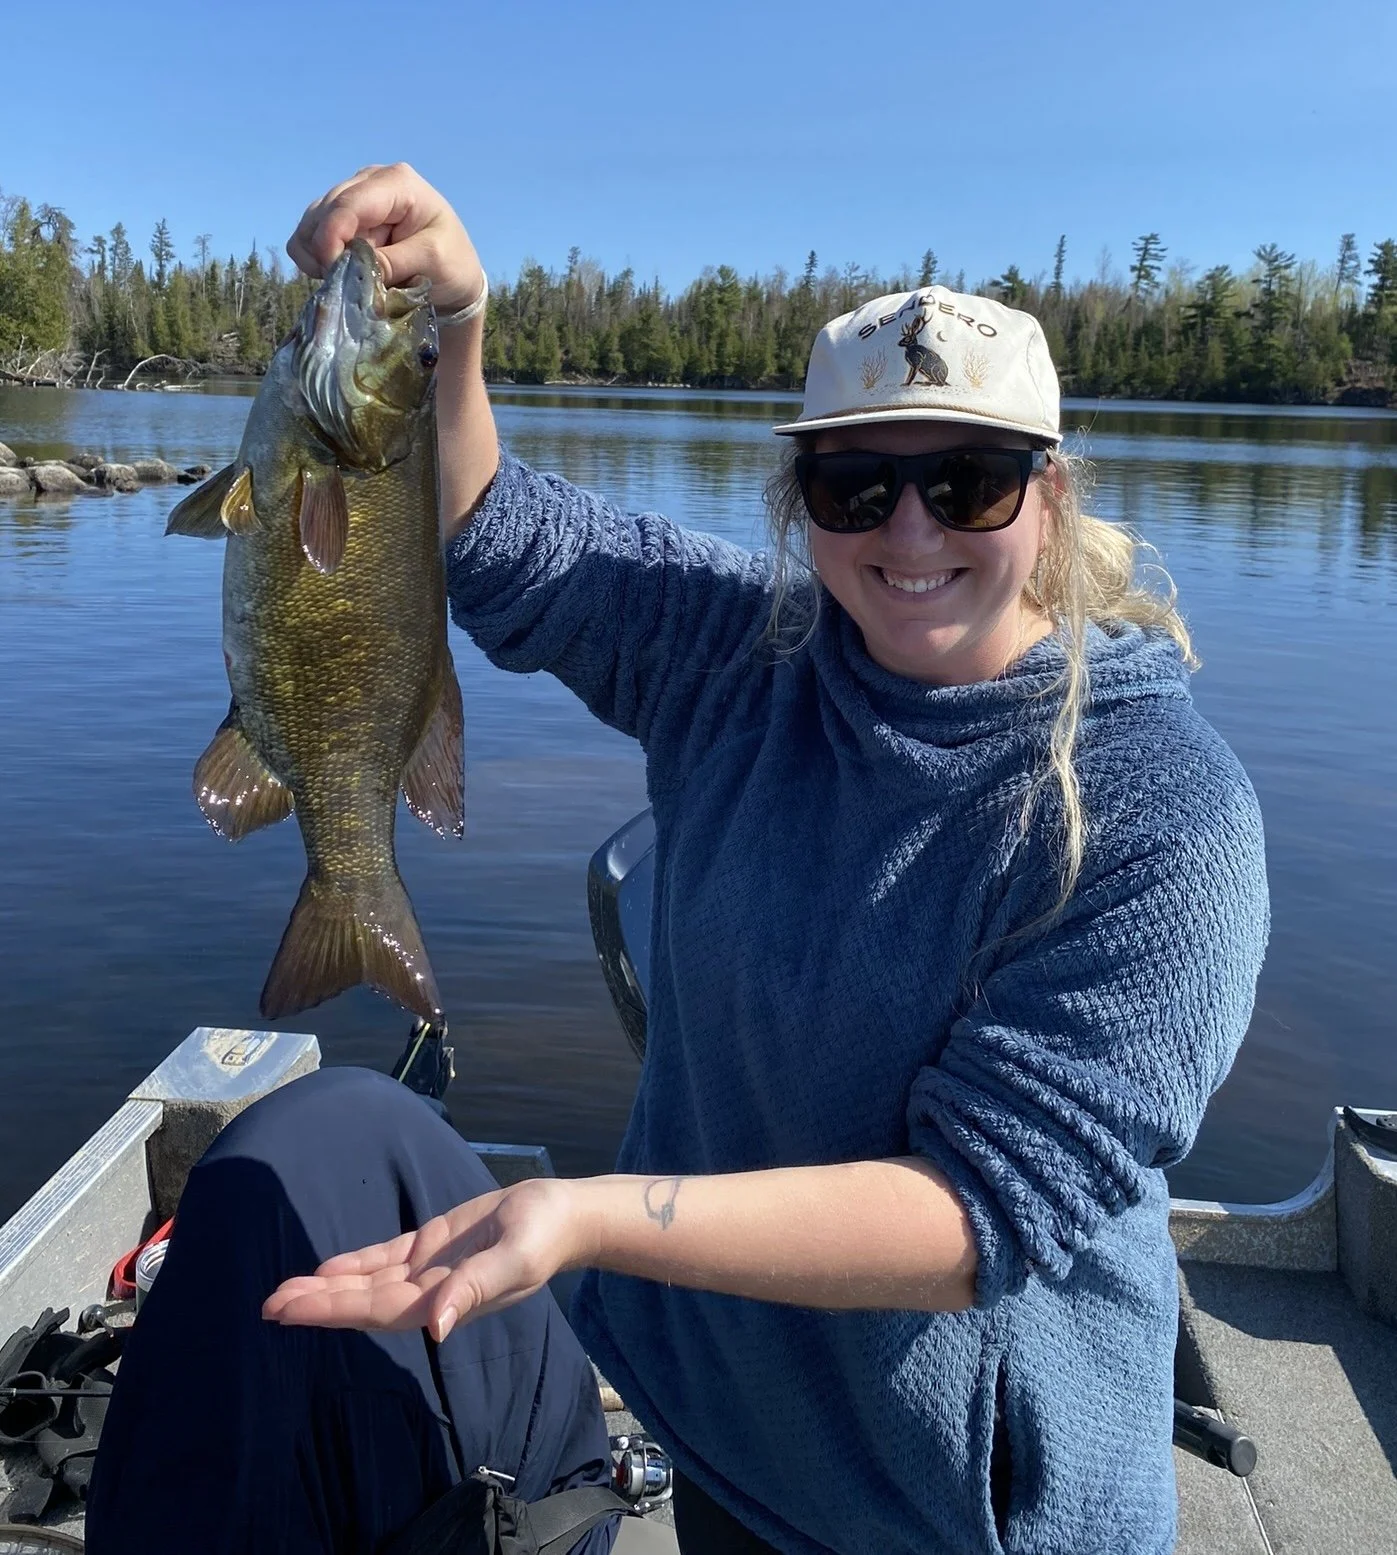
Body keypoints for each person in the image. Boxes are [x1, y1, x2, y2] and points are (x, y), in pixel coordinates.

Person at [87, 164, 1269, 1555]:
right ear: (802, 496)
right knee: (302, 1155)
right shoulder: (746, 657)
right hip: (719, 1432)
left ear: (1049, 499)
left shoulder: (1163, 811)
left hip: (951, 1519)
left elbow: (976, 1216)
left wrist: (591, 1219)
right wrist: (457, 321)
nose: (909, 530)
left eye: (969, 481)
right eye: (854, 482)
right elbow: (500, 534)